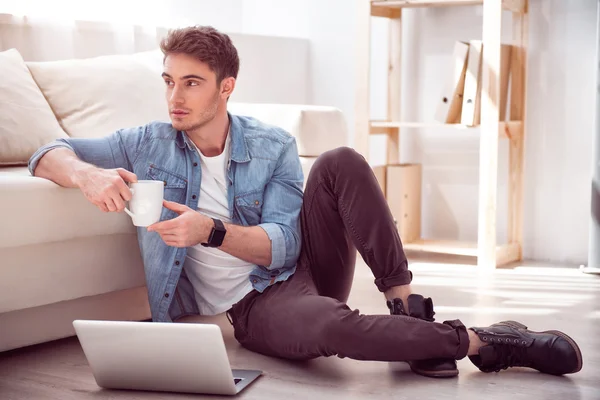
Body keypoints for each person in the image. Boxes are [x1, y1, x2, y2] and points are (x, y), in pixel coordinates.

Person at [28, 25, 582, 379]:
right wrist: (86, 176)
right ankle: (486, 342)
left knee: (340, 158)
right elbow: (46, 150)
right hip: (256, 305)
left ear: (227, 87)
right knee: (330, 329)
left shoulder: (272, 145)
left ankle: (405, 303)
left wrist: (211, 231)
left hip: (292, 265)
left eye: (192, 83)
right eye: (169, 80)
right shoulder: (145, 142)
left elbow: (284, 244)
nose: (175, 96)